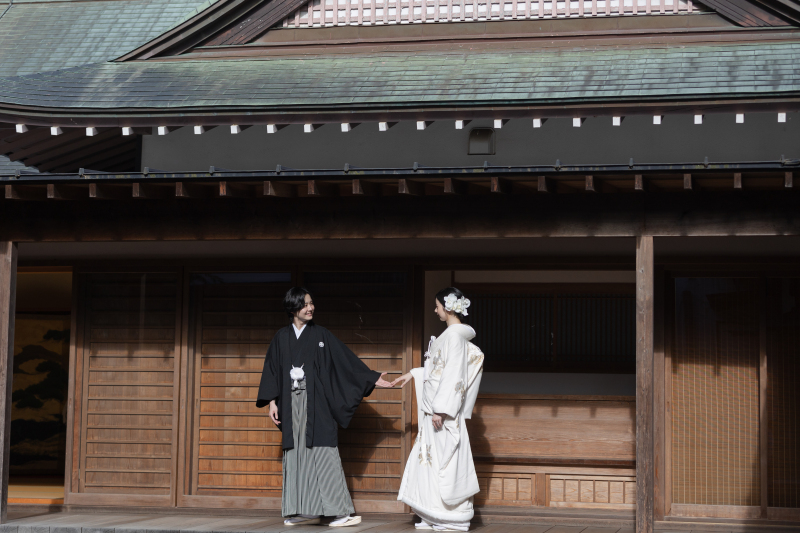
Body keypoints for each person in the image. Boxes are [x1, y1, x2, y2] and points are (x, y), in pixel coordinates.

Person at [256, 287, 394, 527]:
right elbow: (273, 370)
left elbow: (344, 361)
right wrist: (272, 402)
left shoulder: (321, 335)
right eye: (305, 304)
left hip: (316, 403)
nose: (311, 308)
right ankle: (305, 510)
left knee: (323, 452)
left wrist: (371, 377)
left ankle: (342, 512)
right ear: (293, 308)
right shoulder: (281, 337)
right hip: (290, 404)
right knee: (296, 453)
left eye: (311, 303)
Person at [392, 287, 484, 532]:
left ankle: (451, 517)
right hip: (437, 408)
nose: (435, 310)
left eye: (437, 306)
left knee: (445, 462)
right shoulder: (451, 335)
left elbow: (454, 374)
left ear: (448, 307)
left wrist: (441, 409)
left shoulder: (454, 336)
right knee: (431, 461)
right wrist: (413, 374)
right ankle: (433, 514)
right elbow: (438, 372)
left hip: (443, 411)